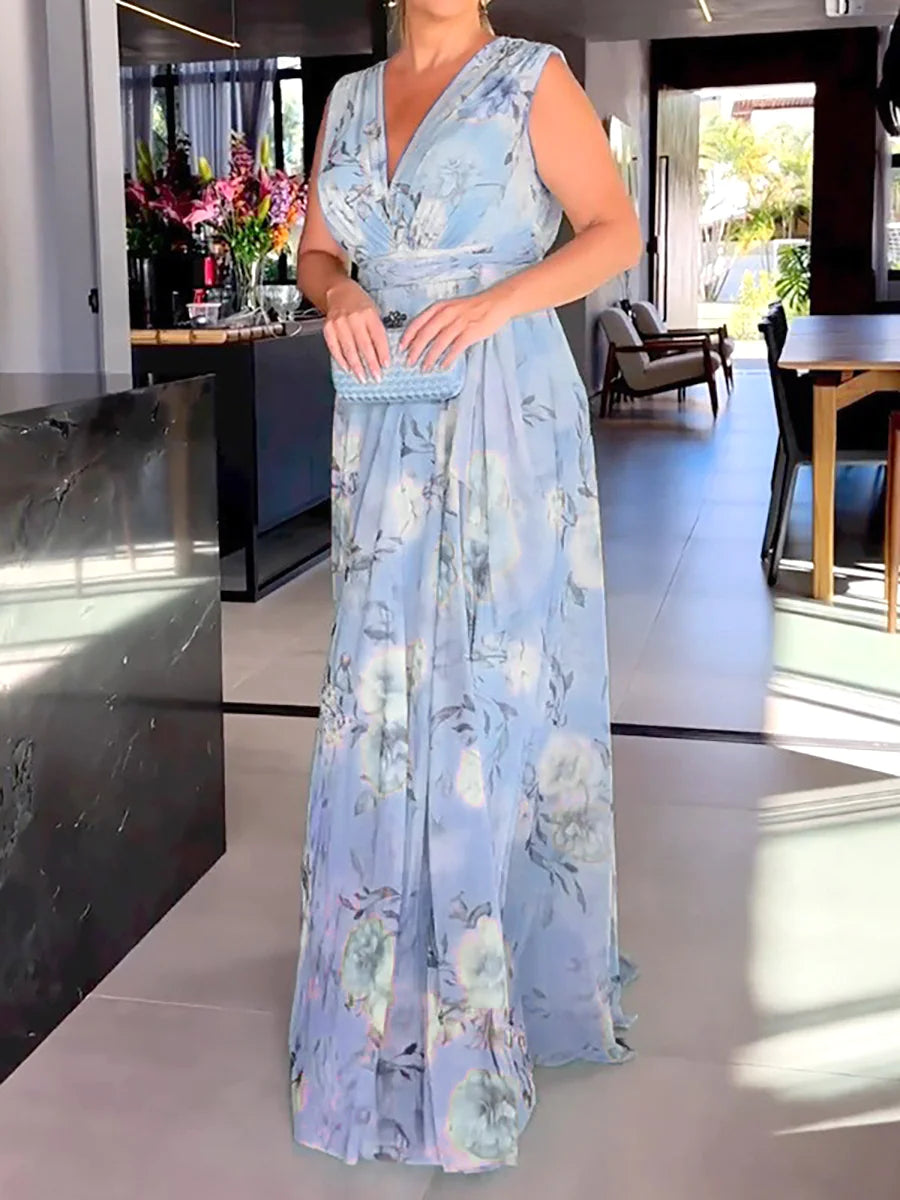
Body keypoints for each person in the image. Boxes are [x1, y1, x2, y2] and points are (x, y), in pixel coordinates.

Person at [289, 0, 643, 1174]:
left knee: (488, 694)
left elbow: (615, 233)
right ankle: (381, 995)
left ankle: (483, 1004)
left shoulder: (532, 77)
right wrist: (340, 295)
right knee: (380, 702)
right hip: (380, 421)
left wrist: (496, 301)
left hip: (500, 409)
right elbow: (318, 250)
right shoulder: (347, 98)